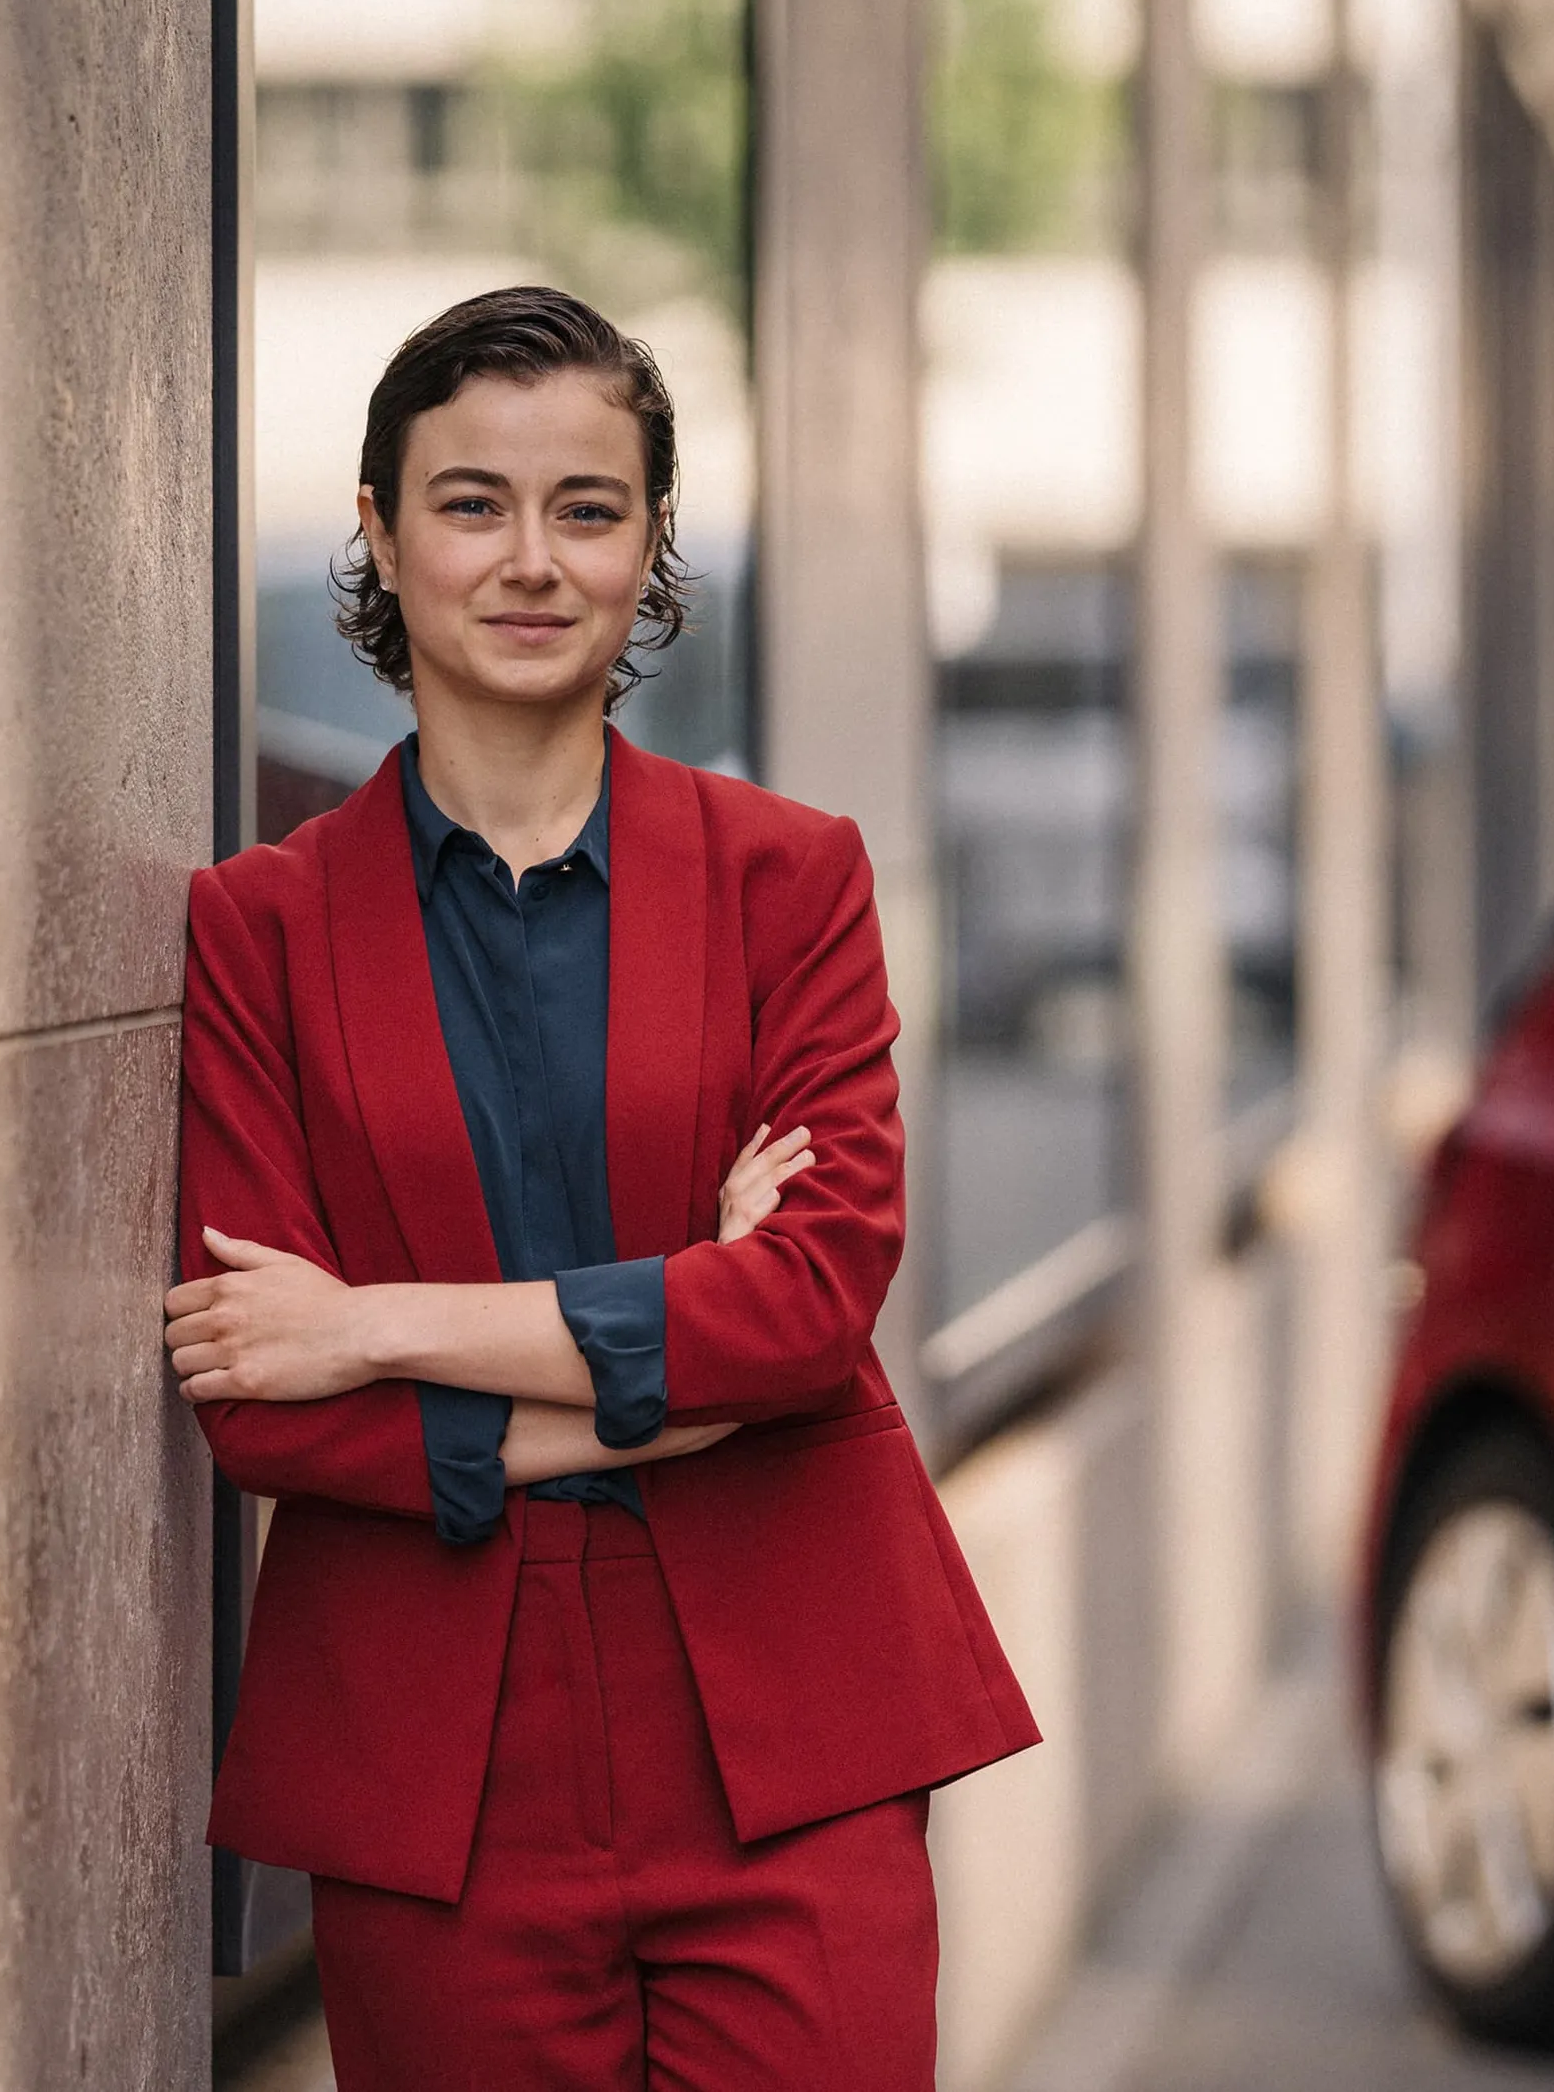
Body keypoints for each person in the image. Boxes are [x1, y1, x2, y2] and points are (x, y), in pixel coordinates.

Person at [169, 286, 1038, 2088]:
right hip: (436, 1759)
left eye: (589, 507)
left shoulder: (790, 879)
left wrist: (380, 1325)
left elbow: (805, 1306)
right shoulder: (258, 929)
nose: (531, 559)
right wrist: (666, 1390)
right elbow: (263, 1401)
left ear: (649, 551)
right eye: (472, 501)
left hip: (790, 1729)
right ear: (381, 534)